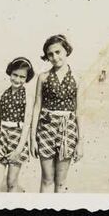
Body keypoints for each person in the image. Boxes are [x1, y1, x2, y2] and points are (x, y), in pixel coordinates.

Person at [30, 34, 83, 193]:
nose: (54, 57)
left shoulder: (76, 78)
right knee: (47, 179)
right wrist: (32, 138)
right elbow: (37, 107)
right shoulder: (43, 77)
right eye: (50, 54)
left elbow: (79, 111)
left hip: (68, 131)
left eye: (58, 52)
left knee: (60, 182)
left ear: (66, 50)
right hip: (45, 130)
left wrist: (80, 142)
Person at [0, 57, 35, 192]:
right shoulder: (2, 94)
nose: (17, 79)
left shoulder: (28, 96)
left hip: (18, 140)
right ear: (10, 73)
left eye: (22, 77)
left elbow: (27, 124)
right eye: (15, 75)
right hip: (1, 138)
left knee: (11, 182)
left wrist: (18, 150)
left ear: (27, 78)